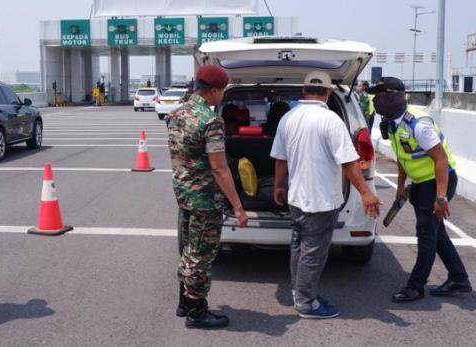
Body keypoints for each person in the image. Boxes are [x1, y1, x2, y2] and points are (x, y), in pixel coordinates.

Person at [272, 71, 380, 319]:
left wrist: (279, 186)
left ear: (303, 91)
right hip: (321, 200)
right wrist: (366, 193)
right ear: (329, 92)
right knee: (314, 251)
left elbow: (281, 158)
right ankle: (307, 303)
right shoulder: (331, 121)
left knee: (298, 246)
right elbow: (349, 162)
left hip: (297, 197)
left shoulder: (288, 118)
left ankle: (299, 292)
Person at [367, 77, 471, 303]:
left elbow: (441, 160)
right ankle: (459, 279)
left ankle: (415, 286)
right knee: (437, 233)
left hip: (437, 182)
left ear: (394, 96)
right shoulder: (393, 121)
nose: (376, 100)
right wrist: (401, 186)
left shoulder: (418, 123)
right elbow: (403, 156)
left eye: (380, 95)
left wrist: (441, 197)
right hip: (421, 183)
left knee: (426, 235)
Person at [167, 65, 249, 329]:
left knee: (188, 250)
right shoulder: (210, 120)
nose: (222, 96)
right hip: (204, 199)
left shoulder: (176, 114)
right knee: (201, 254)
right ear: (213, 90)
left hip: (184, 194)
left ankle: (184, 302)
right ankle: (197, 312)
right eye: (222, 91)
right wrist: (238, 206)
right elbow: (219, 167)